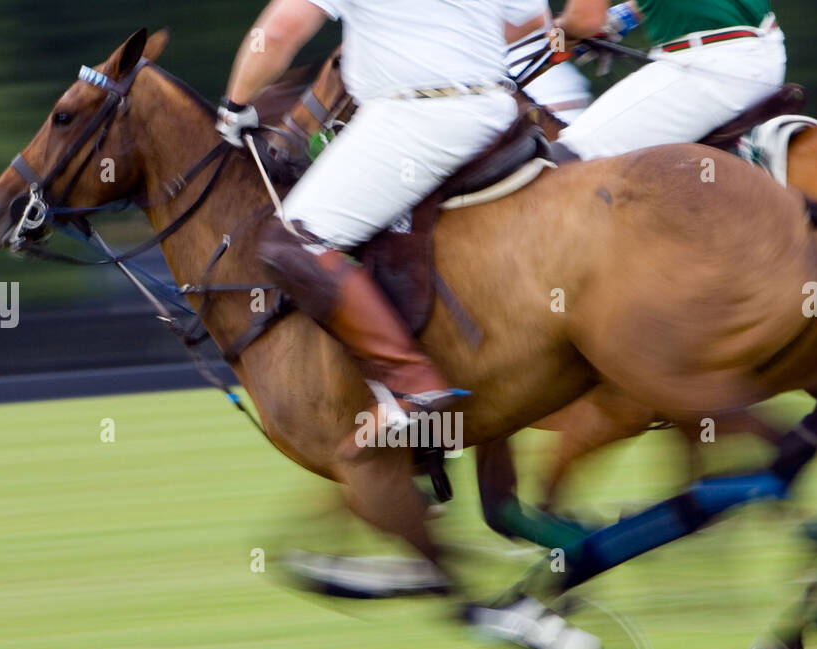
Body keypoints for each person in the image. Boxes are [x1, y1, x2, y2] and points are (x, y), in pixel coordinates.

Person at [218, 0, 549, 458]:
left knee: (290, 240)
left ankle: (411, 383)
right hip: (495, 108)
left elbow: (278, 33)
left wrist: (235, 106)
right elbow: (533, 21)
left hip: (414, 119)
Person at [551, 0, 786, 160]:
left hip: (710, 64)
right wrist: (624, 16)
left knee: (571, 155)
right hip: (765, 51)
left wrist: (561, 33)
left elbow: (584, 21)